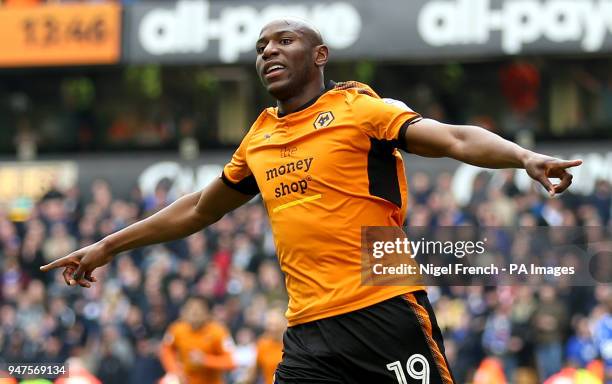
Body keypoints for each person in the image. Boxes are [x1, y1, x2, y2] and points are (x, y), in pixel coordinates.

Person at [41, 18, 582, 383]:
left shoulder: (359, 108)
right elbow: (199, 208)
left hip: (384, 311)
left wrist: (523, 158)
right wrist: (108, 246)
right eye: (260, 48)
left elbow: (454, 138)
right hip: (307, 334)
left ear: (319, 55)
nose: (269, 52)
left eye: (283, 42)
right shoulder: (259, 138)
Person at [159, 296, 235, 384]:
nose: (193, 313)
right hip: (185, 380)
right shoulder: (176, 329)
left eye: (198, 310)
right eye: (190, 308)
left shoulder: (218, 332)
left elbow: (231, 362)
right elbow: (166, 350)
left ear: (208, 314)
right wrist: (175, 371)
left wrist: (205, 360)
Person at [244, 308, 285, 384]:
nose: (272, 328)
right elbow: (253, 373)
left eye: (276, 324)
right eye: (269, 324)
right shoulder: (262, 344)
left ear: (284, 324)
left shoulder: (291, 345)